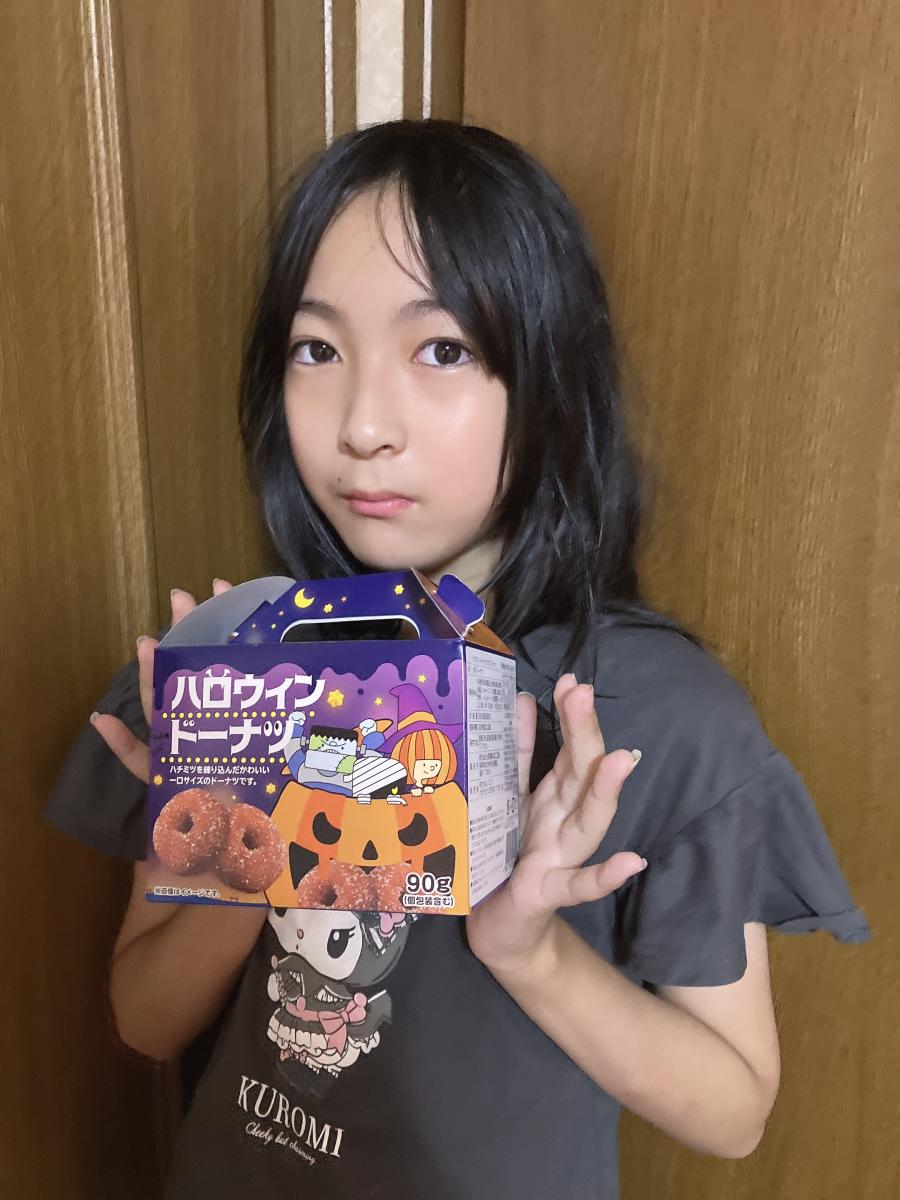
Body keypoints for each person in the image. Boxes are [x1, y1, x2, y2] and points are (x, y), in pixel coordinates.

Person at [46, 119, 869, 1200]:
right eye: (317, 349)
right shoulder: (238, 662)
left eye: (441, 350)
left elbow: (734, 1111)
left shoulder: (652, 713)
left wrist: (530, 949)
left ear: (546, 376)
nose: (363, 425)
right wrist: (244, 843)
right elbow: (143, 1020)